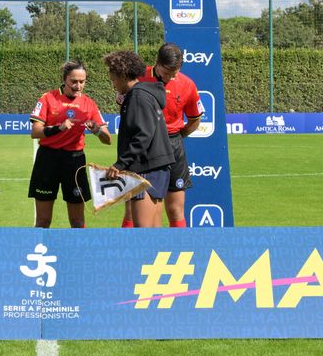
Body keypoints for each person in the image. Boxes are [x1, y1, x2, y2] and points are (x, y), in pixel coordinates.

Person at [121, 43, 202, 228]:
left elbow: (195, 119)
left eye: (174, 73)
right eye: (166, 73)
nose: (170, 78)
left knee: (175, 209)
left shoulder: (187, 84)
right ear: (157, 63)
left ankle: (180, 246)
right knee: (133, 209)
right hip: (142, 147)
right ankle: (130, 246)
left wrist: (174, 139)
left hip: (172, 144)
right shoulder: (138, 78)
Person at [28, 60, 112, 228]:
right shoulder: (48, 98)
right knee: (43, 221)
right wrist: (58, 128)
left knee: (77, 221)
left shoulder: (89, 104)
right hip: (47, 160)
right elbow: (35, 132)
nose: (78, 86)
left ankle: (78, 247)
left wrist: (97, 130)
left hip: (75, 162)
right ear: (64, 79)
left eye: (82, 81)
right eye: (74, 81)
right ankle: (39, 245)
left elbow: (107, 139)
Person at [102, 50, 174, 228]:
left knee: (143, 232)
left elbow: (143, 135)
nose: (113, 84)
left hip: (146, 167)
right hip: (157, 166)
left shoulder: (137, 96)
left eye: (113, 79)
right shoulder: (145, 94)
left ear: (122, 75)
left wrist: (120, 164)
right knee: (154, 230)